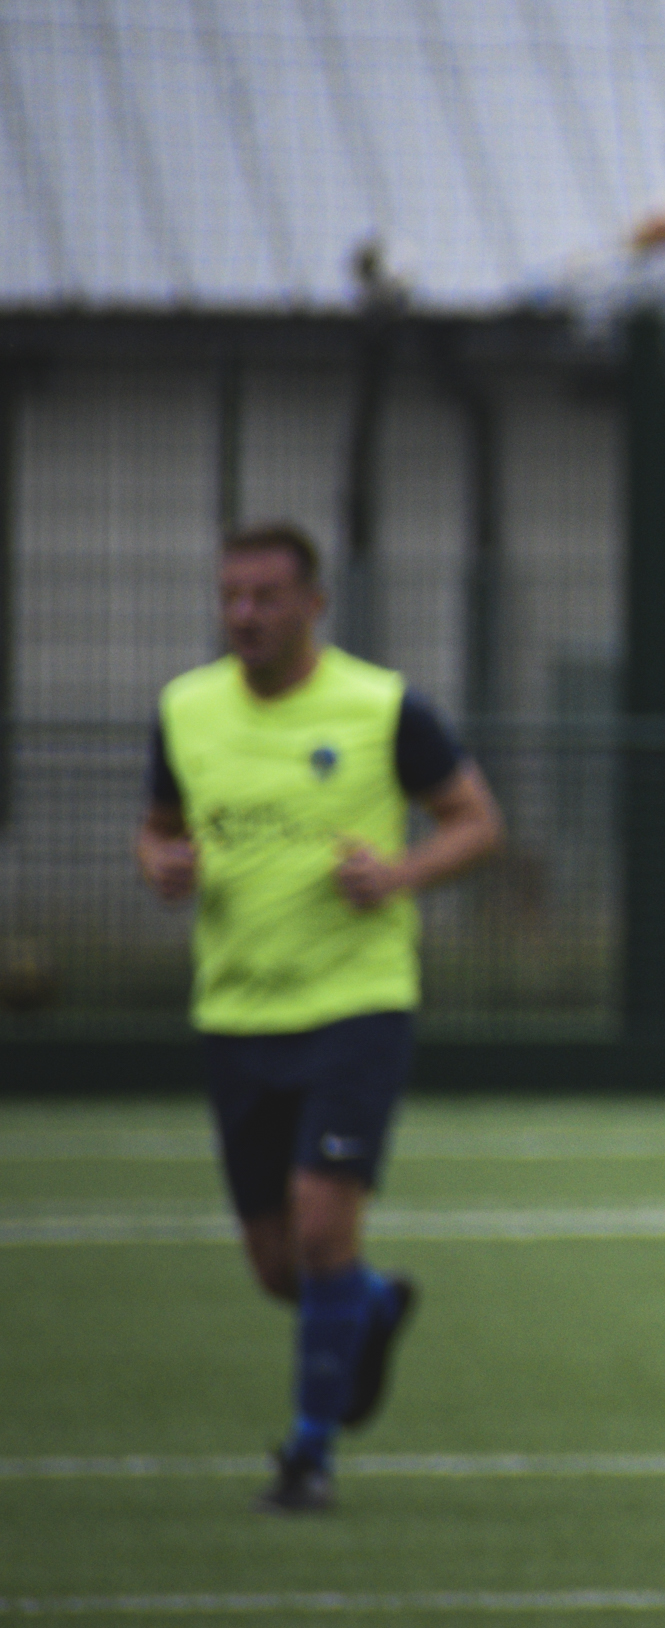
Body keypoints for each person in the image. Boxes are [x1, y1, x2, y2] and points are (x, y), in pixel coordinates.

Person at [135, 523, 504, 1513]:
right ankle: (371, 1306)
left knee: (322, 1225)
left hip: (355, 1000)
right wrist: (159, 865)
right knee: (276, 1264)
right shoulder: (186, 708)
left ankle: (308, 1454)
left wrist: (400, 874)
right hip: (236, 1004)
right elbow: (159, 826)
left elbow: (476, 818)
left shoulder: (383, 707)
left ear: (314, 603)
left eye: (265, 596)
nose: (245, 614)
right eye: (231, 596)